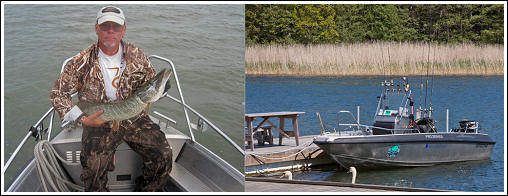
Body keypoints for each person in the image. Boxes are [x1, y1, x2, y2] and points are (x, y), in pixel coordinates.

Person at [50, 6, 172, 192]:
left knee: (163, 153)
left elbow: (151, 88)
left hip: (135, 117)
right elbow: (58, 93)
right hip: (98, 120)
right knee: (93, 166)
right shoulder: (81, 61)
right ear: (97, 28)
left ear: (123, 30)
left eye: (115, 27)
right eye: (105, 26)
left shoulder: (138, 55)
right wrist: (83, 119)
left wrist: (162, 89)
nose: (110, 31)